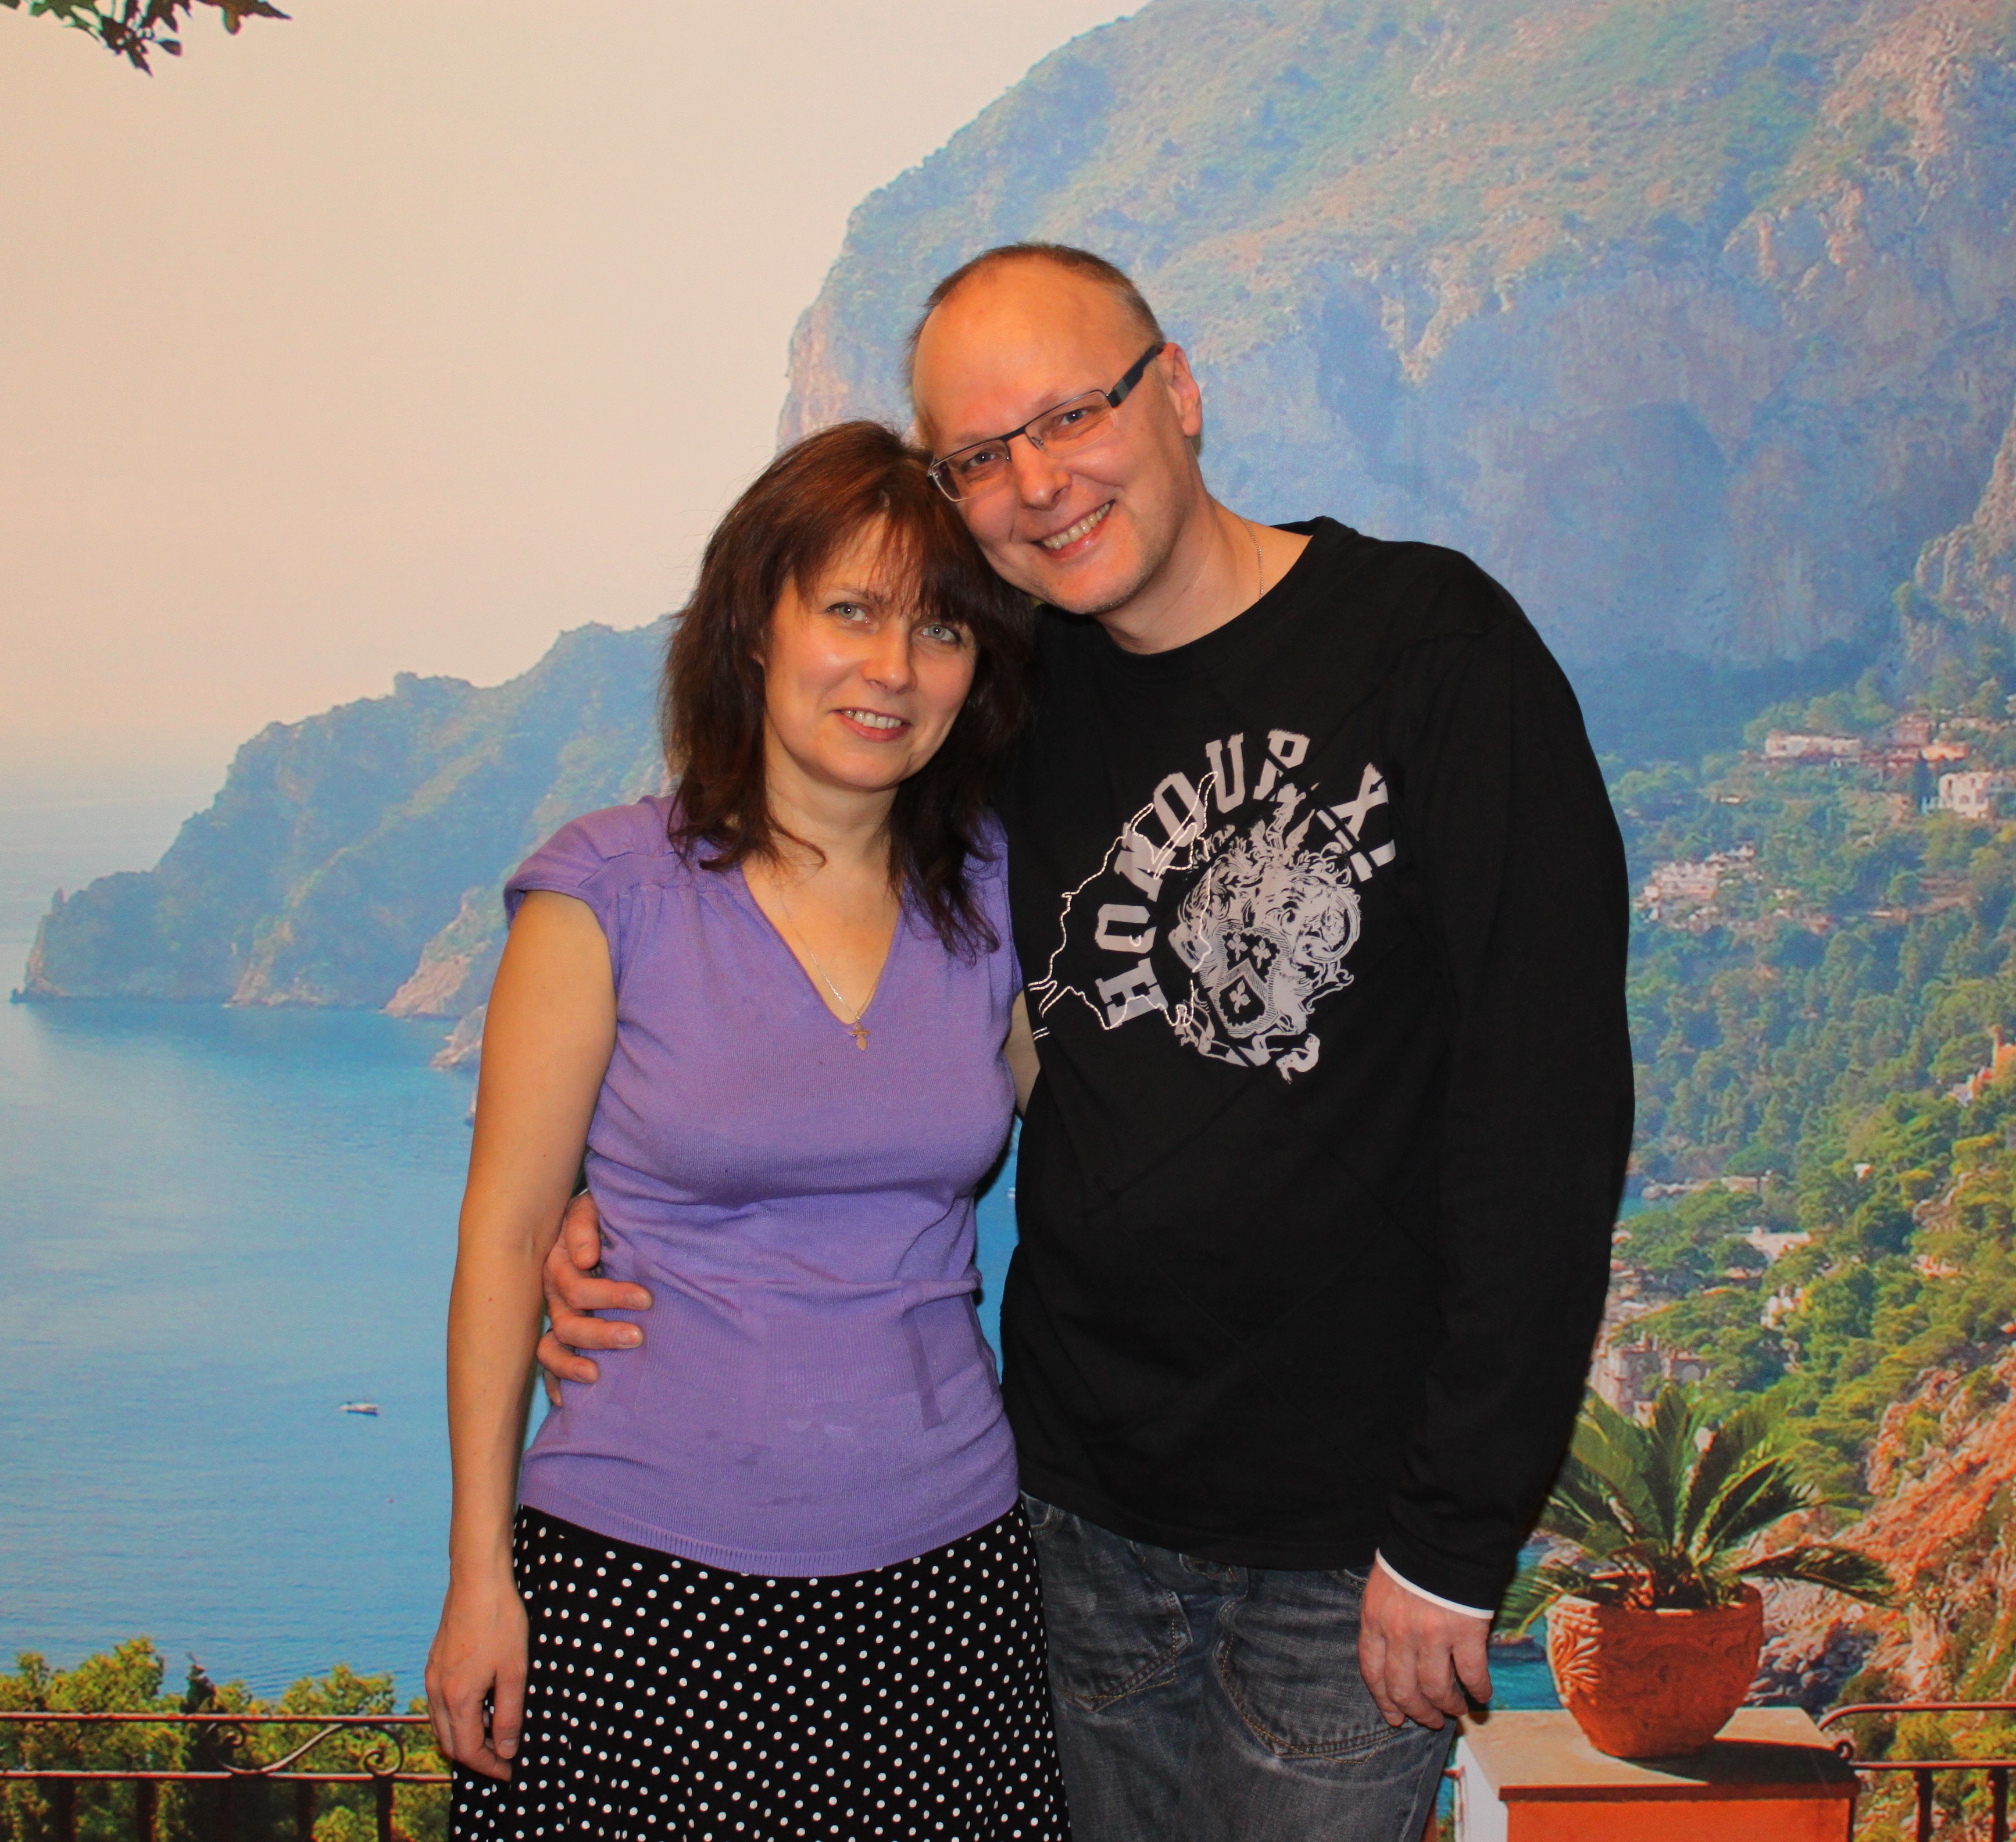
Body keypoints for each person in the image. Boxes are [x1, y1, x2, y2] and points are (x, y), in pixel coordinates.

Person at [541, 246, 1632, 1840]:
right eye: (980, 456)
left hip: (1348, 1557)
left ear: (1176, 390)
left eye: (1072, 416)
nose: (1038, 484)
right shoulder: (998, 701)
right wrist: (616, 1188)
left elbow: (1548, 1118)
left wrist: (1454, 1540)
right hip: (1065, 1527)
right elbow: (793, 922)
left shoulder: (1432, 650)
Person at [428, 420, 1068, 1840]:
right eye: (850, 610)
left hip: (945, 1584)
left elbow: (1126, 1140)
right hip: (642, 1587)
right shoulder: (607, 896)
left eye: (942, 629)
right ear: (754, 628)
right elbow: (507, 1237)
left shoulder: (1000, 893)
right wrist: (480, 1576)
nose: (893, 668)